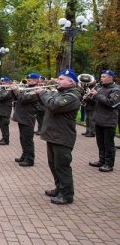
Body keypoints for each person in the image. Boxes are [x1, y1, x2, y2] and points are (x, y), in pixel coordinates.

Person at [35, 69, 81, 204]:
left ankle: (66, 195)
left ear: (70, 82)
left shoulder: (72, 96)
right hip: (53, 134)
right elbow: (46, 104)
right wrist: (41, 94)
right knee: (53, 164)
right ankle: (59, 188)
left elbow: (54, 105)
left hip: (62, 136)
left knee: (62, 166)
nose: (57, 81)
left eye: (61, 79)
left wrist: (42, 92)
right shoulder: (60, 93)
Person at [88, 70, 120, 172]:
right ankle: (101, 160)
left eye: (104, 76)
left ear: (111, 77)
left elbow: (111, 103)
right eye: (101, 76)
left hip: (109, 121)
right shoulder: (100, 88)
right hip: (98, 119)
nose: (101, 78)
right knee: (100, 143)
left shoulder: (116, 89)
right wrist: (89, 97)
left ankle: (109, 164)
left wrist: (96, 95)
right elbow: (96, 102)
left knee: (108, 144)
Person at [10, 73, 40, 167]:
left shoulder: (36, 91)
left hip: (28, 117)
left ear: (36, 80)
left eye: (30, 80)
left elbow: (23, 99)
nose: (28, 81)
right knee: (22, 138)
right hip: (22, 117)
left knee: (28, 139)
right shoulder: (27, 88)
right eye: (28, 79)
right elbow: (16, 98)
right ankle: (24, 155)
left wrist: (16, 90)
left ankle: (30, 159)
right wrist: (13, 90)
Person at [0, 77, 13, 145]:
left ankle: (6, 140)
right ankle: (3, 138)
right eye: (3, 82)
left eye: (5, 82)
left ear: (8, 82)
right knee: (1, 126)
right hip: (1, 110)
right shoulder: (4, 89)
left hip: (5, 110)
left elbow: (1, 97)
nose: (3, 83)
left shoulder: (9, 90)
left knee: (5, 126)